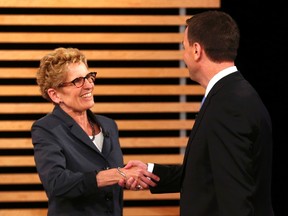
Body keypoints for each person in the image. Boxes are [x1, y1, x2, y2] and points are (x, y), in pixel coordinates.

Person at [123, 11, 274, 216]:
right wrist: (151, 171)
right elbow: (208, 172)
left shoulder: (229, 104)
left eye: (184, 47)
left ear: (196, 50)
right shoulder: (231, 94)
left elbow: (235, 196)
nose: (183, 55)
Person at [31, 47, 159, 216]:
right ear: (55, 95)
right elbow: (57, 183)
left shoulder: (109, 125)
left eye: (89, 77)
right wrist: (116, 173)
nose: (89, 85)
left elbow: (109, 177)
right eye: (78, 81)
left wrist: (126, 179)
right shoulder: (47, 128)